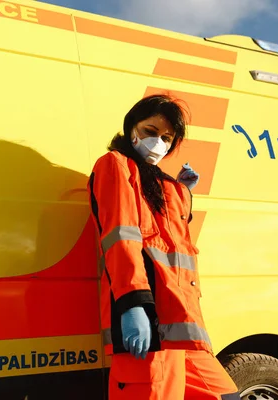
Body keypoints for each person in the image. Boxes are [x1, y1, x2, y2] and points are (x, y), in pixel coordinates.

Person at [87, 94, 241, 400]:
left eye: (167, 137)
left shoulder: (168, 186)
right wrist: (133, 304)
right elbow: (122, 238)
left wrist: (182, 192)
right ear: (132, 128)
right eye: (150, 131)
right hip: (149, 320)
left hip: (183, 324)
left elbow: (175, 243)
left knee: (225, 395)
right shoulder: (116, 166)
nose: (158, 142)